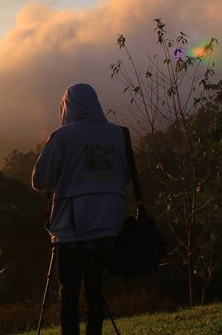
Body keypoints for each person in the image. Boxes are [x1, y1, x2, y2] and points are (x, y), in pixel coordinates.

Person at [32, 83, 129, 335]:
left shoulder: (63, 136)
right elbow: (124, 175)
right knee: (95, 290)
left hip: (73, 227)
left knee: (69, 291)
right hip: (109, 222)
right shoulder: (118, 134)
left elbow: (40, 180)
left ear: (66, 106)